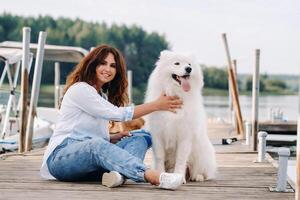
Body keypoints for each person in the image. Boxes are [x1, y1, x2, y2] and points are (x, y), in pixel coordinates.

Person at [40, 44, 184, 190]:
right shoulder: (80, 89)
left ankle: (118, 175)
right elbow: (118, 114)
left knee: (142, 135)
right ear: (92, 65)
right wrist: (156, 105)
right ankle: (152, 176)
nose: (108, 69)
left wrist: (109, 137)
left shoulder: (101, 95)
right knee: (96, 145)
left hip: (90, 164)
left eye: (113, 65)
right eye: (103, 63)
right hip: (61, 158)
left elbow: (87, 131)